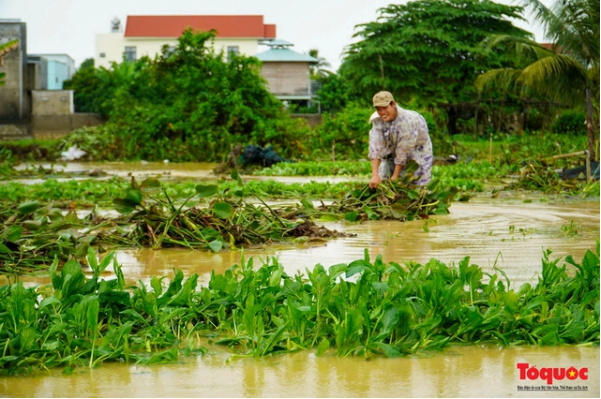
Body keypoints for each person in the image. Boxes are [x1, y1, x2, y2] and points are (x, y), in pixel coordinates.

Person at [368, 91, 433, 189]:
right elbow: (375, 146)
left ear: (393, 104)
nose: (382, 112)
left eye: (385, 108)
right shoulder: (377, 119)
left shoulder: (407, 120)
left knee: (417, 185)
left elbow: (404, 150)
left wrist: (395, 176)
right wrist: (375, 175)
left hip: (418, 151)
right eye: (378, 109)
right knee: (383, 182)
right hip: (392, 150)